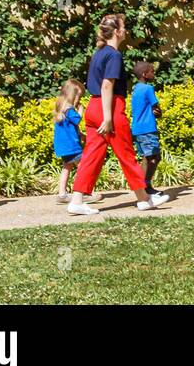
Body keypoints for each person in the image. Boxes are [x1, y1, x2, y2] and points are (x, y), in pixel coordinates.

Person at [67, 13, 169, 216]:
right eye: (123, 27)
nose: (126, 31)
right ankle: (144, 199)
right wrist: (108, 118)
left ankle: (76, 201)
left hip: (93, 107)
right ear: (116, 31)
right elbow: (107, 86)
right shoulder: (114, 55)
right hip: (110, 108)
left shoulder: (99, 53)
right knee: (126, 153)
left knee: (91, 156)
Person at [129, 61, 164, 201]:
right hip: (147, 128)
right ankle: (144, 187)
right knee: (152, 158)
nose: (153, 73)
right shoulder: (148, 89)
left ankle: (144, 186)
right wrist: (159, 113)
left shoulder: (135, 88)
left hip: (137, 129)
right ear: (145, 74)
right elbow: (156, 108)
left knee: (149, 157)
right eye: (151, 71)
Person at [53, 79, 87, 202]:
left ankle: (62, 194)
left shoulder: (61, 108)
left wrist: (81, 135)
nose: (79, 100)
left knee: (66, 167)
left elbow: (70, 128)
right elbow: (77, 120)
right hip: (72, 146)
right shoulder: (69, 109)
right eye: (79, 96)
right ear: (72, 95)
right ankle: (84, 192)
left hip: (64, 147)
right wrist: (81, 110)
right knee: (84, 167)